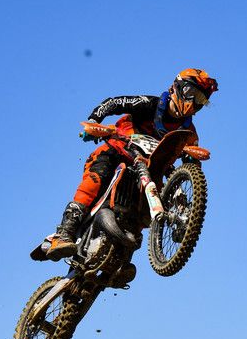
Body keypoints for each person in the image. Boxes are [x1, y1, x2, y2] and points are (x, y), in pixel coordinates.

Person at [44, 68, 218, 261]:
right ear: (175, 87)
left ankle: (126, 253)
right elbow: (114, 103)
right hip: (118, 149)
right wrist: (94, 122)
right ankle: (64, 233)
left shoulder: (188, 132)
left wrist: (188, 209)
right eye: (190, 93)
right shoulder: (149, 104)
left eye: (200, 99)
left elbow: (191, 165)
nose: (193, 101)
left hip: (150, 166)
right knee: (95, 179)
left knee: (158, 196)